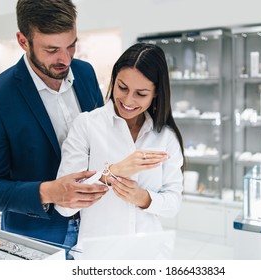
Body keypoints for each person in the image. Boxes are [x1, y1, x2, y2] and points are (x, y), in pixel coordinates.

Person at [0, 0, 108, 256]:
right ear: (23, 41)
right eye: (52, 49)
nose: (65, 59)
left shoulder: (86, 73)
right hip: (35, 239)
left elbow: (102, 138)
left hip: (97, 227)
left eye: (72, 45)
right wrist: (48, 192)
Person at [55, 42, 185, 251]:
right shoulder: (87, 125)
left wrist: (143, 197)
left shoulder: (165, 137)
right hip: (97, 257)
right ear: (113, 81)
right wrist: (111, 173)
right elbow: (63, 206)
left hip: (148, 253)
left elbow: (173, 204)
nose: (128, 100)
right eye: (122, 87)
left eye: (141, 94)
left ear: (156, 94)